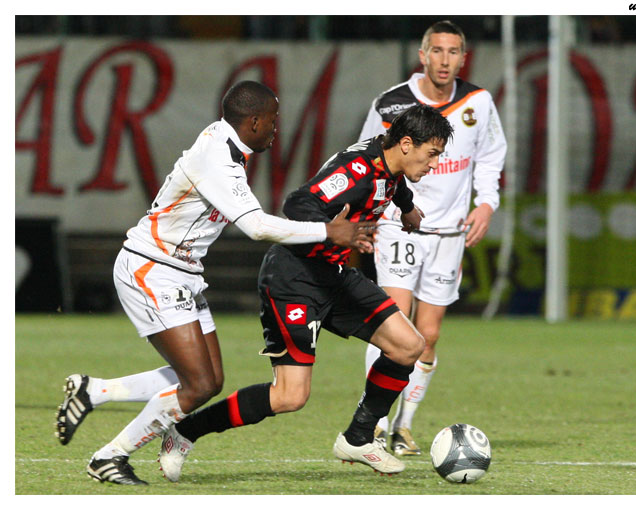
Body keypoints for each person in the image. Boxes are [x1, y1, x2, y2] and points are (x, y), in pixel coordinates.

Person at [55, 80, 375, 485]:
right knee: (198, 383)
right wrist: (327, 232)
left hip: (182, 272)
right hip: (152, 268)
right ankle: (110, 455)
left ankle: (94, 392)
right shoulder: (218, 158)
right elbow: (257, 227)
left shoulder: (225, 144)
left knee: (208, 381)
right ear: (253, 121)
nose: (276, 128)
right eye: (272, 120)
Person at [156, 103, 454, 482]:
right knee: (290, 397)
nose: (435, 164)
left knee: (409, 346)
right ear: (407, 144)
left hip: (333, 275)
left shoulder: (388, 160)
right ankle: (184, 432)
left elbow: (391, 184)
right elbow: (297, 203)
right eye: (432, 154)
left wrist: (407, 207)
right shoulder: (356, 171)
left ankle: (358, 438)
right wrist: (332, 232)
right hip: (293, 279)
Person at [359, 20, 507, 456]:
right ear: (423, 55)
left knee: (429, 334)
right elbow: (368, 157)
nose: (444, 60)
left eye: (453, 52)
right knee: (394, 324)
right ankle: (373, 422)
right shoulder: (391, 103)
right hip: (398, 225)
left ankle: (403, 425)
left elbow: (491, 155)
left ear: (464, 58)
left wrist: (487, 203)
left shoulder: (478, 102)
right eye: (437, 51)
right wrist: (368, 215)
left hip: (449, 232)